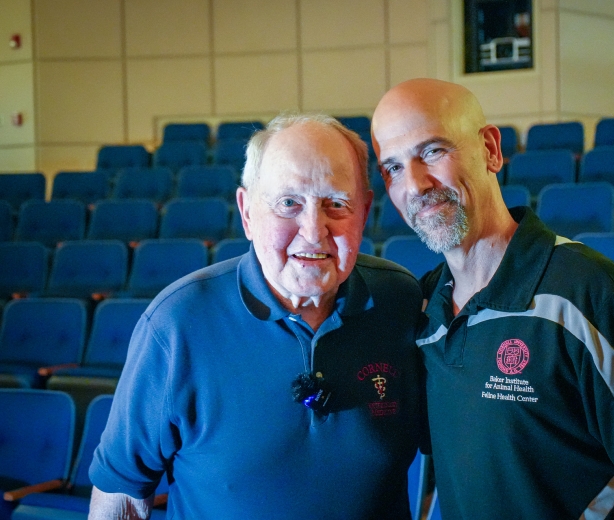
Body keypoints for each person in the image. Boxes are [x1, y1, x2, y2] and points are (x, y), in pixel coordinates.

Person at [371, 79, 614, 520]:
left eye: (432, 151)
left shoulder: (592, 294)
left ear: (491, 149)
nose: (414, 184)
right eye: (392, 168)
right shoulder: (423, 310)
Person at [89, 114, 425, 519]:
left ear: (365, 212)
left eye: (336, 204)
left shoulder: (401, 302)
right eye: (288, 203)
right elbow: (121, 498)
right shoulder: (177, 325)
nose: (313, 231)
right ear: (247, 212)